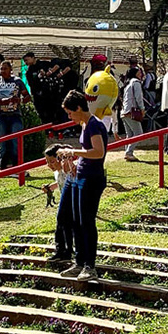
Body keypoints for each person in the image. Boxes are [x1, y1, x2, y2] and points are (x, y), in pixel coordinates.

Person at [55, 90, 109, 279]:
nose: (69, 117)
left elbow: (98, 152)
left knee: (86, 221)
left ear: (78, 108)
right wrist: (76, 161)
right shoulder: (85, 124)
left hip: (91, 178)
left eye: (70, 113)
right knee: (75, 220)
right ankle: (79, 262)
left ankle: (89, 265)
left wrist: (74, 153)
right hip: (79, 175)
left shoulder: (94, 125)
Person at [0, 54, 28, 170]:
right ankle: (3, 167)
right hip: (0, 116)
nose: (3, 71)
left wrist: (19, 100)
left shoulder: (18, 81)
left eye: (5, 68)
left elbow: (27, 97)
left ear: (10, 70)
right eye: (1, 68)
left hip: (15, 115)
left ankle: (17, 166)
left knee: (16, 142)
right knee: (2, 143)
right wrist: (1, 102)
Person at [121, 66, 149, 161]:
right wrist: (142, 109)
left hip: (124, 111)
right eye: (139, 72)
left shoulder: (127, 83)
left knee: (129, 135)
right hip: (132, 111)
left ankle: (128, 152)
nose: (141, 74)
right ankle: (129, 153)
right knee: (138, 133)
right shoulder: (136, 83)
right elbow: (138, 97)